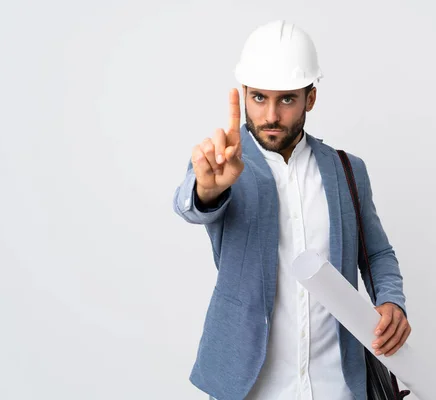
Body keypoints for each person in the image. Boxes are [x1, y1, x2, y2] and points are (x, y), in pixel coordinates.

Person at [173, 20, 411, 400]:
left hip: (338, 383)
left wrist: (390, 300)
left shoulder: (348, 170)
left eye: (286, 99)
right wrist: (207, 188)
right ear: (244, 94)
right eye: (259, 98)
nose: (270, 115)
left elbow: (377, 253)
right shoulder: (224, 165)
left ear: (309, 98)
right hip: (251, 386)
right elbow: (193, 203)